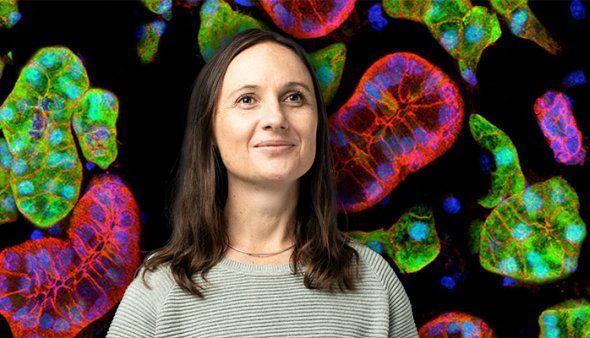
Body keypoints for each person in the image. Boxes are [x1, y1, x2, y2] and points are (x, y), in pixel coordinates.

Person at [106, 28, 418, 337]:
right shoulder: (158, 290)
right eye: (247, 99)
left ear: (317, 126)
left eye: (294, 97)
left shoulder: (373, 281)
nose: (275, 117)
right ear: (210, 130)